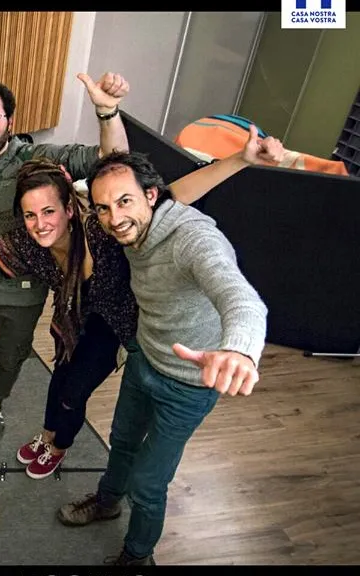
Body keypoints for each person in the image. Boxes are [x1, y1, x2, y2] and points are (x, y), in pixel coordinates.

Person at [0, 125, 283, 484]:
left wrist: (240, 159)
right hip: (74, 320)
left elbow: (173, 196)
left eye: (49, 211)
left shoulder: (102, 227)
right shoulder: (29, 243)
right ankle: (48, 435)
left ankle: (59, 446)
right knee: (58, 383)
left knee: (73, 392)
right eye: (30, 215)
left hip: (117, 326)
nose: (40, 223)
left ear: (70, 208)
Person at [56, 150, 269, 566]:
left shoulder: (193, 239)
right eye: (103, 207)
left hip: (189, 385)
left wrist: (239, 349)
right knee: (121, 441)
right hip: (144, 358)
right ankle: (107, 501)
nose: (115, 217)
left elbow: (239, 297)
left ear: (152, 196)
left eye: (125, 201)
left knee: (149, 484)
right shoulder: (132, 230)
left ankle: (136, 556)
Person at [0, 73, 131, 442]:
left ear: (10, 121)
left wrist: (107, 113)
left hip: (24, 293)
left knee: (10, 359)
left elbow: (112, 160)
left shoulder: (34, 159)